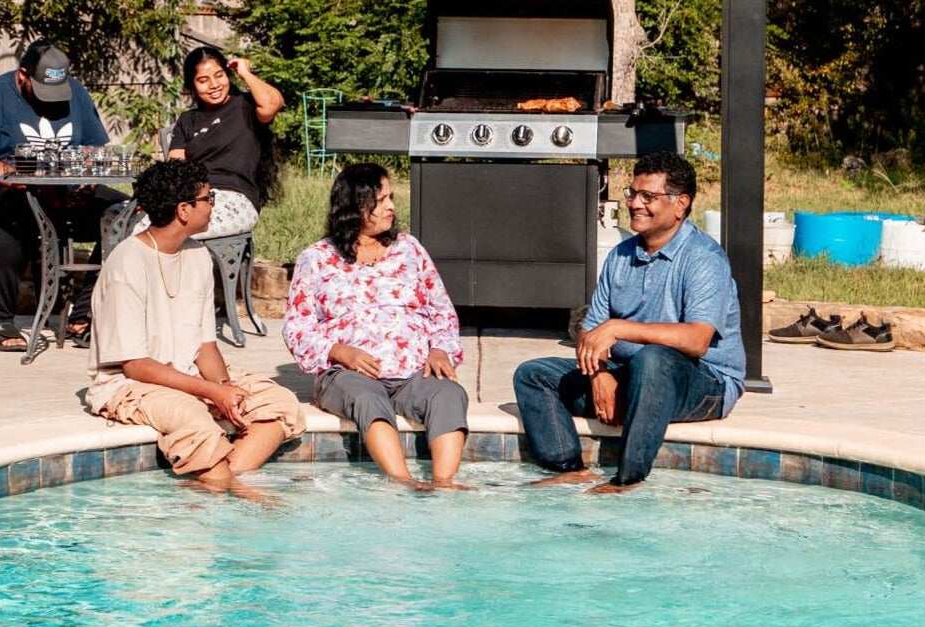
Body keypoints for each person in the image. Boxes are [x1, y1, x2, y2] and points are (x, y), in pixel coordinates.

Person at [513, 151, 745, 494]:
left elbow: (697, 340)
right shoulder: (621, 255)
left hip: (702, 385)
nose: (635, 204)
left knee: (653, 360)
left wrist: (619, 329)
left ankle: (628, 478)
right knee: (534, 376)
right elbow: (590, 331)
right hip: (629, 377)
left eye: (648, 197)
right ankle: (569, 468)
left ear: (680, 204)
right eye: (632, 194)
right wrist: (600, 374)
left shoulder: (703, 259)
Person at [84, 158, 304, 492]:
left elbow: (205, 344)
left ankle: (215, 485)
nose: (213, 205)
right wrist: (210, 392)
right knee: (193, 419)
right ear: (184, 210)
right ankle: (239, 494)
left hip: (190, 373)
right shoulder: (127, 263)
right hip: (127, 384)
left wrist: (224, 388)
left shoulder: (198, 255)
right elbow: (134, 364)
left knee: (278, 402)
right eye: (208, 198)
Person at [283, 161, 470, 488]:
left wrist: (440, 348)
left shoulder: (409, 249)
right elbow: (297, 328)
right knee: (368, 399)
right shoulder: (316, 259)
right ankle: (403, 481)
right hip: (350, 376)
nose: (392, 207)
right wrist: (338, 351)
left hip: (413, 374)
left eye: (391, 198)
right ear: (355, 206)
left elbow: (441, 307)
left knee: (449, 394)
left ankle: (444, 484)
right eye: (381, 200)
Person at [0, 39, 123, 353]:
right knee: (19, 212)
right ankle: (0, 321)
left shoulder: (77, 93)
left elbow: (95, 147)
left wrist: (85, 175)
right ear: (22, 76)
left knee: (123, 213)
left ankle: (82, 315)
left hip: (62, 189)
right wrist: (24, 179)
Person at [164, 46, 282, 238]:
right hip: (192, 199)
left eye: (219, 75)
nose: (214, 85)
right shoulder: (187, 120)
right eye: (203, 80)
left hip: (235, 198)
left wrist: (245, 73)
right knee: (127, 223)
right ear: (192, 86)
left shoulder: (245, 105)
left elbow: (272, 104)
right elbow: (175, 167)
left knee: (168, 233)